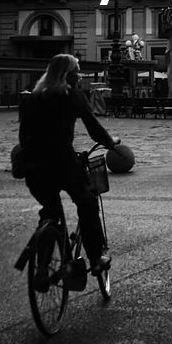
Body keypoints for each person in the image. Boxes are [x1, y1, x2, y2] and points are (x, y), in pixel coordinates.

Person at [18, 53, 120, 279]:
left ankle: (43, 267)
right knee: (87, 202)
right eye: (77, 71)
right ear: (68, 75)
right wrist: (111, 143)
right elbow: (94, 128)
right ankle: (96, 258)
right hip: (62, 164)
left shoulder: (32, 98)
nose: (80, 76)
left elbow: (23, 136)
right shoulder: (72, 97)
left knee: (50, 212)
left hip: (34, 168)